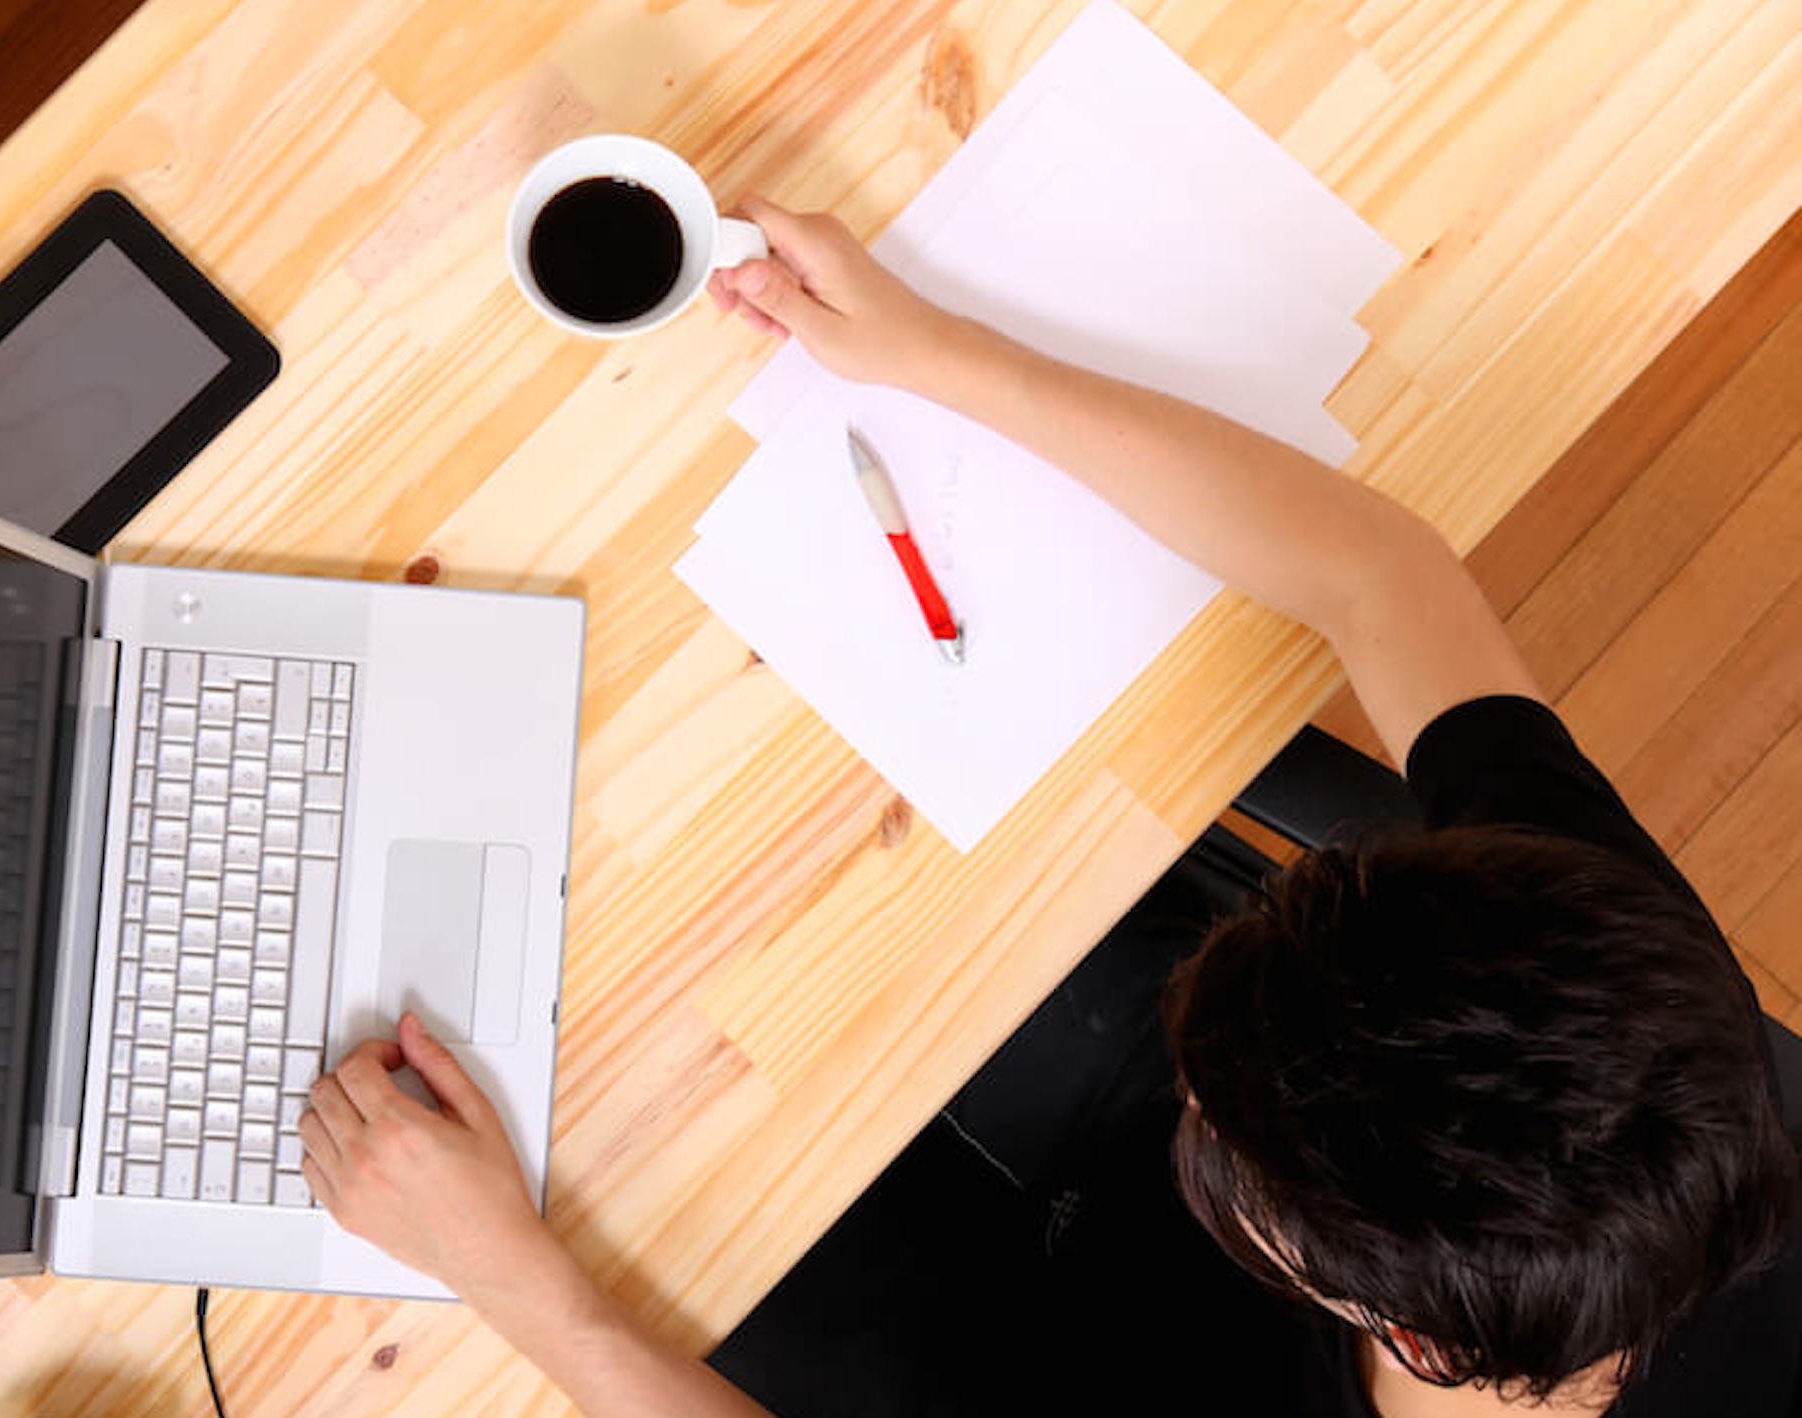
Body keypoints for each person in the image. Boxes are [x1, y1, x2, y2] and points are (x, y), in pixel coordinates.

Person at [292, 200, 1802, 1417]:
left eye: (1229, 1130)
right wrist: (939, 354)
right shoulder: (1629, 1018)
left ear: (1395, 1330)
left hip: (1022, 1373)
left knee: (581, 1161)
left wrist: (515, 1289)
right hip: (1226, 1142)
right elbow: (1378, 576)